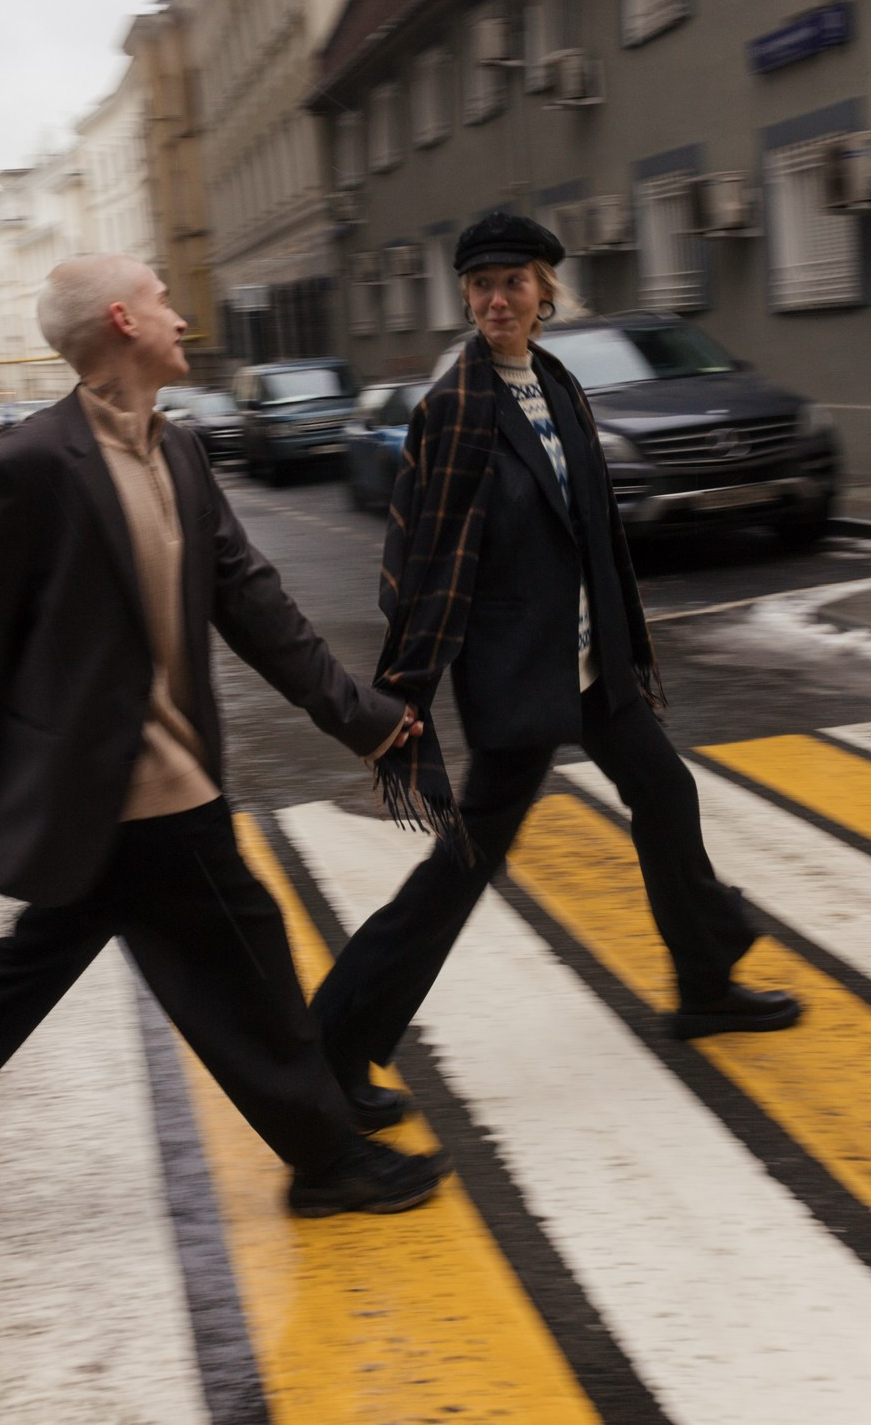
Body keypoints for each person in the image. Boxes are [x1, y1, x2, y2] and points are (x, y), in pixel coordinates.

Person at [0, 254, 446, 1245]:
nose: (181, 318)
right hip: (129, 783)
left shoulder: (175, 451)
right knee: (248, 954)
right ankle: (328, 1158)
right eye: (162, 303)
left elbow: (253, 601)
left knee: (30, 968)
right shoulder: (29, 465)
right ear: (120, 322)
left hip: (138, 787)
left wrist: (357, 715)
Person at [311, 211, 800, 1121]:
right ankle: (333, 1045)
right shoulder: (452, 409)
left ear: (545, 293)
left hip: (590, 660)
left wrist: (611, 636)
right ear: (466, 296)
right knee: (462, 864)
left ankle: (704, 982)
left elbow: (590, 532)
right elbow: (417, 559)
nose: (498, 299)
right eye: (482, 285)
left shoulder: (560, 385)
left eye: (515, 283)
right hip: (516, 675)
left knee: (665, 791)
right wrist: (408, 684)